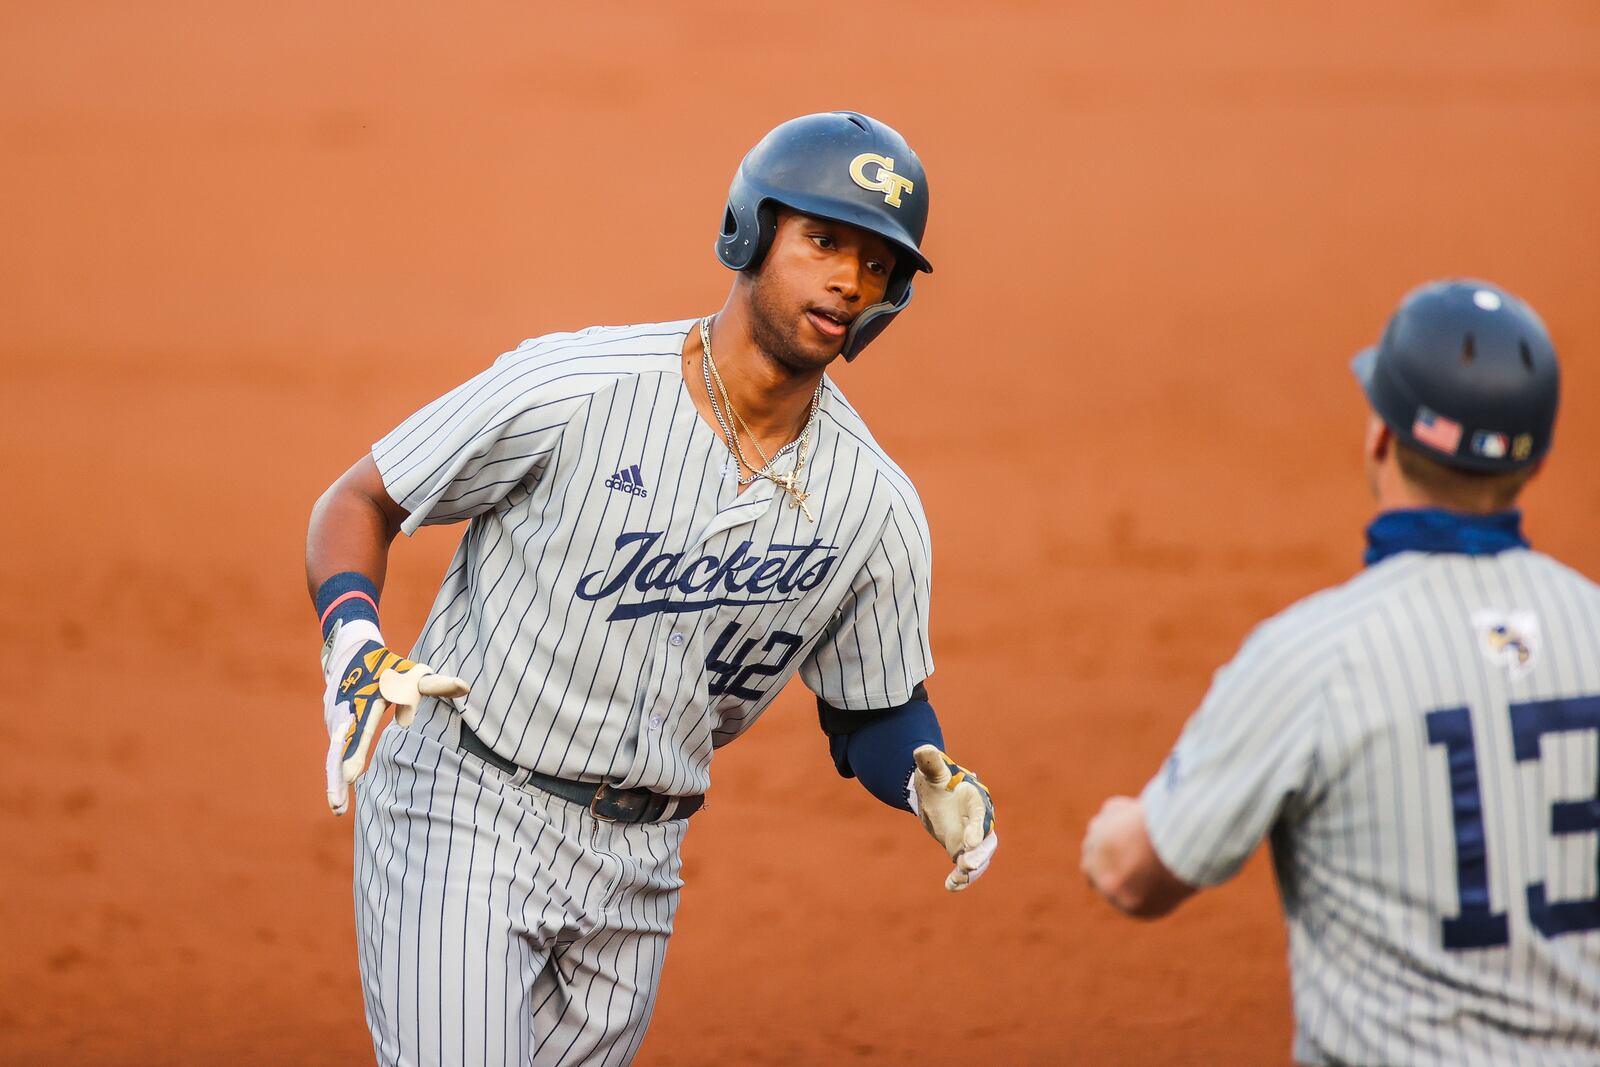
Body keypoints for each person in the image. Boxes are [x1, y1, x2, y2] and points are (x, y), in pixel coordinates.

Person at [305, 110, 997, 1067]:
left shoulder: (874, 506)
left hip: (641, 868)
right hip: (465, 805)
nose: (848, 278)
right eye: (824, 241)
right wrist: (352, 638)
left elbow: (874, 713)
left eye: (876, 264)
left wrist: (932, 778)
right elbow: (362, 498)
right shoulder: (575, 387)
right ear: (752, 231)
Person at [1080, 279, 1599, 1065]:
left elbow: (1132, 875)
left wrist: (1114, 827)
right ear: (1535, 462)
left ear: (1382, 438)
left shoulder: (1314, 655)